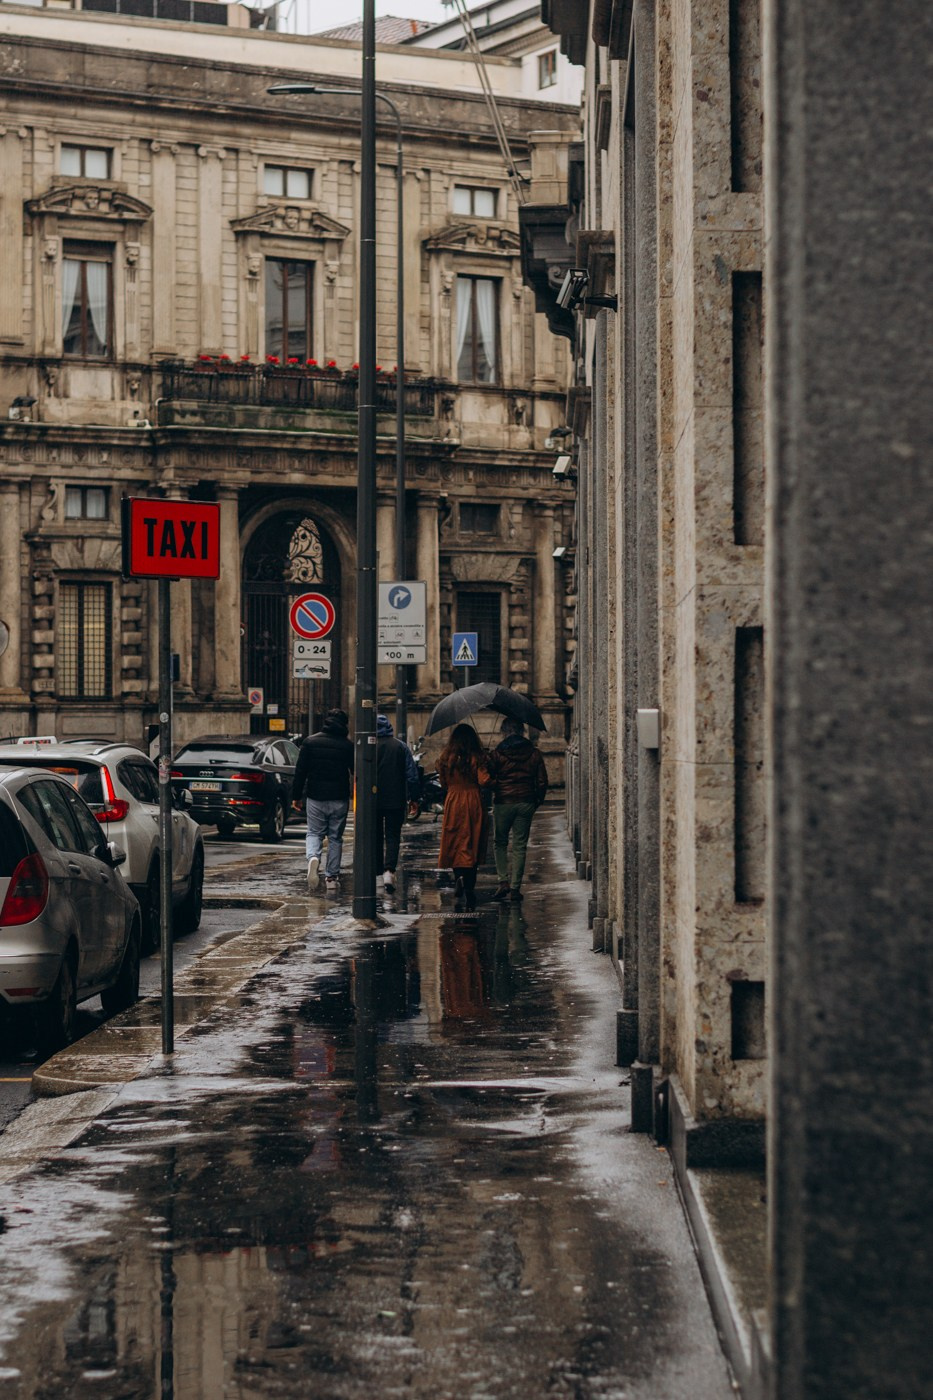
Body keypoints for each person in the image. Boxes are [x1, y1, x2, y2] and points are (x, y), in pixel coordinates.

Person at [291, 708, 354, 894]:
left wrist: (296, 796)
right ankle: (331, 877)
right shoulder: (347, 745)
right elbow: (355, 770)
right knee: (335, 837)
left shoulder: (310, 742)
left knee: (314, 833)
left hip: (315, 796)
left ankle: (313, 857)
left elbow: (300, 771)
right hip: (339, 797)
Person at [487, 717, 548, 903]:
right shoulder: (534, 753)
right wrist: (537, 801)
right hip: (526, 801)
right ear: (522, 732)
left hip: (503, 802)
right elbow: (542, 781)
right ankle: (515, 888)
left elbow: (489, 778)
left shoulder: (497, 754)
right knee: (520, 845)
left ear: (504, 732)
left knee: (500, 842)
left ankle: (503, 881)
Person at [436, 723, 491, 910]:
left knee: (455, 840)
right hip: (473, 800)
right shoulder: (476, 757)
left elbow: (443, 782)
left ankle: (458, 875)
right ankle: (469, 886)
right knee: (472, 841)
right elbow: (484, 780)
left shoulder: (446, 758)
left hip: (453, 800)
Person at [375, 714, 420, 894]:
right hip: (396, 799)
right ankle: (389, 871)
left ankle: (378, 874)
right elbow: (412, 775)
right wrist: (414, 798)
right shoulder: (400, 747)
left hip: (373, 800)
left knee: (375, 836)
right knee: (393, 835)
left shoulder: (369, 746)